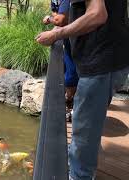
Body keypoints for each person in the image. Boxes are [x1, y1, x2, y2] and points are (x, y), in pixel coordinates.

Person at [36, 0, 129, 179]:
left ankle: (79, 175)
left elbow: (97, 14)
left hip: (100, 63)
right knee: (88, 123)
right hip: (113, 60)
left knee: (83, 133)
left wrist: (57, 35)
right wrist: (59, 31)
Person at [43, 0, 79, 121]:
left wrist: (50, 19)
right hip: (67, 42)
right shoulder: (55, 1)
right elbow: (57, 14)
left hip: (77, 42)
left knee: (71, 76)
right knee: (68, 74)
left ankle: (70, 104)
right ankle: (69, 104)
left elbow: (61, 19)